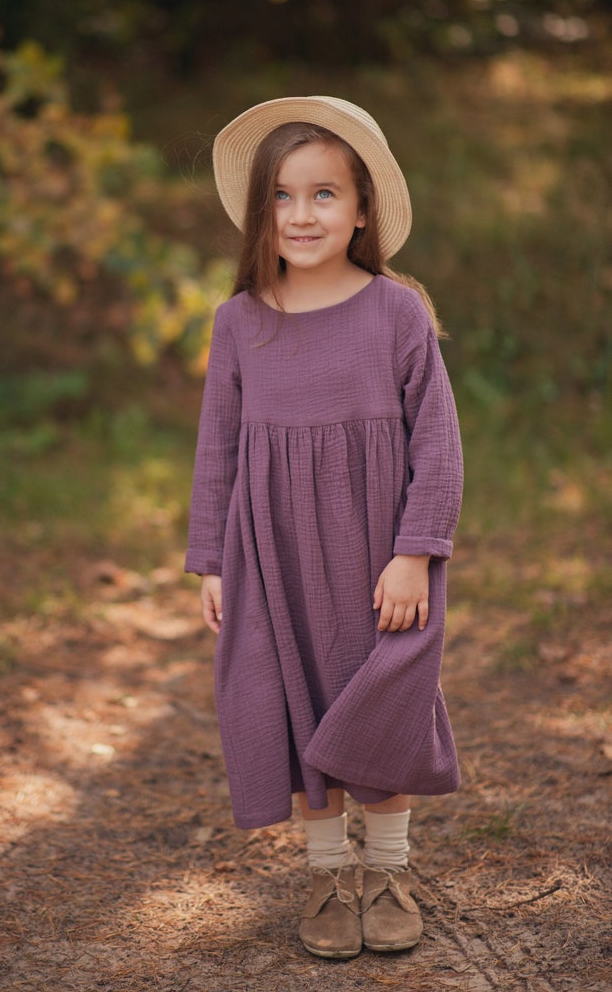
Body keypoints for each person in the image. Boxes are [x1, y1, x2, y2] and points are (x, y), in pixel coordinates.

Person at [185, 96, 463, 960]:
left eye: (324, 195)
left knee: (378, 701)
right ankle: (324, 877)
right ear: (260, 210)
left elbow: (439, 445)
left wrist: (415, 553)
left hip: (379, 551)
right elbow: (217, 449)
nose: (302, 215)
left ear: (362, 208)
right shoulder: (240, 322)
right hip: (274, 555)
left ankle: (386, 869)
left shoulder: (397, 314)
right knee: (296, 695)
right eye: (283, 196)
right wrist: (211, 561)